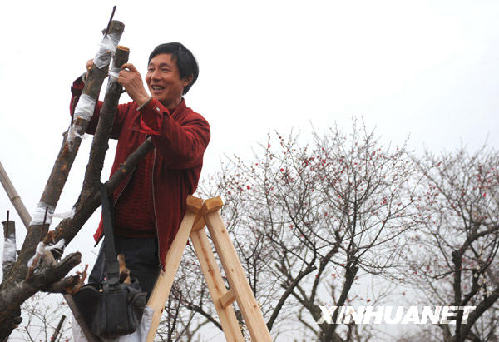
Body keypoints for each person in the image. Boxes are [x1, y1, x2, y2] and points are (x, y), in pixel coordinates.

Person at [70, 42, 210, 298]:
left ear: (186, 79)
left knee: (121, 316)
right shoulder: (132, 113)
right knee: (91, 308)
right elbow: (87, 119)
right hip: (113, 236)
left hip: (149, 243)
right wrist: (87, 84)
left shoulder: (195, 124)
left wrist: (144, 100)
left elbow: (179, 149)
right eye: (151, 68)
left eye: (164, 70)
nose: (155, 76)